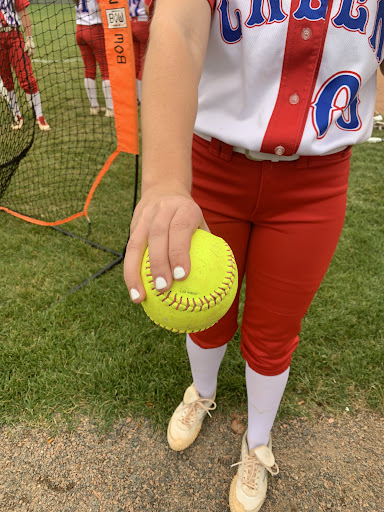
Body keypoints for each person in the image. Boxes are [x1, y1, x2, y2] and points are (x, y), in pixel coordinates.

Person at [123, 1, 382, 510]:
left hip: (317, 178)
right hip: (212, 164)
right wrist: (163, 182)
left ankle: (257, 441)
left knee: (274, 331)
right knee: (206, 308)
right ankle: (202, 391)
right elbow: (179, 25)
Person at [0, 0, 50, 131]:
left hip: (13, 35)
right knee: (6, 81)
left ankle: (39, 116)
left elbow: (22, 10)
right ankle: (17, 116)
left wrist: (29, 37)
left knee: (26, 78)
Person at [74, 0, 114, 117]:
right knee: (106, 69)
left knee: (89, 69)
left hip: (80, 29)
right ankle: (110, 108)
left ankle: (94, 106)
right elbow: (100, 7)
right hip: (95, 28)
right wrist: (106, 28)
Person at [129, 0, 150, 105]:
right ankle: (142, 98)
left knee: (136, 63)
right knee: (144, 64)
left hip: (131, 23)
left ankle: (136, 97)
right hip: (143, 23)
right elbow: (147, 9)